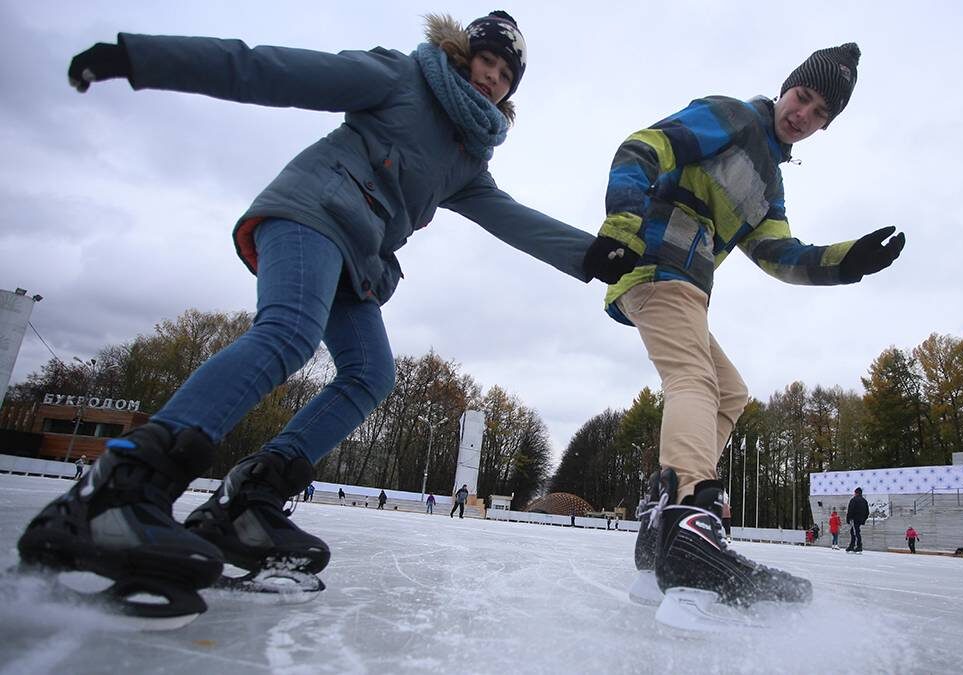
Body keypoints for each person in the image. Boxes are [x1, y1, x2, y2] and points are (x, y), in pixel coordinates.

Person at [16, 11, 610, 620]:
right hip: (309, 214)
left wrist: (594, 256)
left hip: (359, 258)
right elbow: (268, 68)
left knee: (371, 373)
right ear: (463, 52)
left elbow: (511, 217)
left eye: (508, 75)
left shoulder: (465, 160)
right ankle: (117, 490)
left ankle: (247, 503)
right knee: (289, 332)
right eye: (489, 61)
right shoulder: (400, 77)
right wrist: (137, 57)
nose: (494, 79)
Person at [599, 43, 901, 618]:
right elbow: (645, 145)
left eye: (819, 114)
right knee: (693, 379)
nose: (803, 115)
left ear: (826, 125)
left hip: (686, 283)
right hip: (653, 263)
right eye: (802, 97)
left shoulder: (770, 181)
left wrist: (846, 263)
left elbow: (779, 253)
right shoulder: (732, 117)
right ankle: (692, 521)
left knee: (730, 392)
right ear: (786, 87)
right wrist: (621, 223)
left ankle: (660, 522)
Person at [847, 487, 869, 554]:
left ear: (856, 493)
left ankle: (858, 546)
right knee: (853, 531)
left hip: (854, 519)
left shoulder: (854, 500)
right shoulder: (864, 501)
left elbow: (850, 510)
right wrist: (864, 519)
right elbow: (867, 512)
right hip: (860, 519)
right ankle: (852, 545)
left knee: (855, 532)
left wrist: (849, 518)